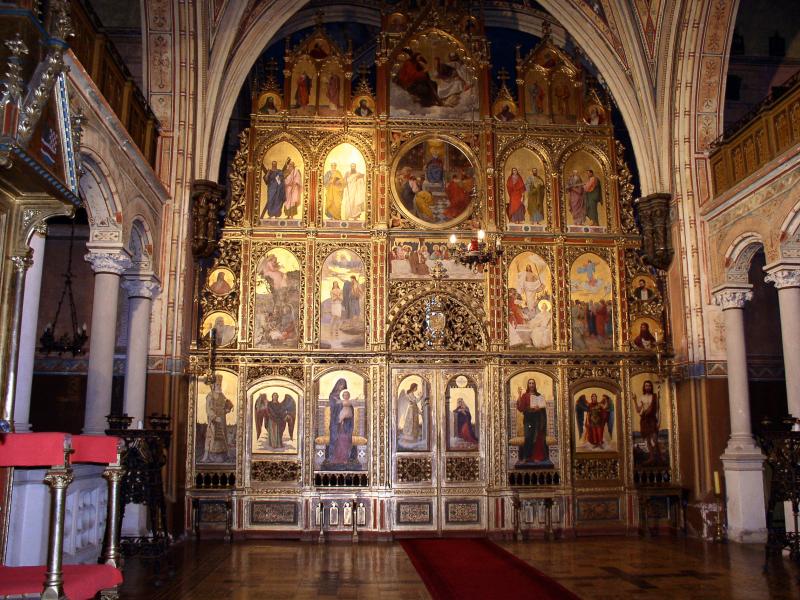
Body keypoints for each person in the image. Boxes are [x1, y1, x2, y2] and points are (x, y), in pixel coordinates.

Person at [516, 379, 548, 463]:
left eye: (533, 383)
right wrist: (519, 395)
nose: (531, 385)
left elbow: (543, 408)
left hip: (537, 419)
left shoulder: (539, 395)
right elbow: (521, 408)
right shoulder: (525, 395)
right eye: (530, 383)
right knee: (528, 437)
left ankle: (535, 457)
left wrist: (540, 407)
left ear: (535, 385)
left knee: (536, 437)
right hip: (528, 419)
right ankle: (526, 457)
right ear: (528, 385)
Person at [202, 375, 233, 461]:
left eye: (220, 385)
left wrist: (227, 409)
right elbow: (208, 409)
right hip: (214, 420)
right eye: (218, 385)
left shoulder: (222, 395)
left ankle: (223, 454)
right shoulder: (210, 395)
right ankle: (209, 455)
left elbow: (225, 406)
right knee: (212, 435)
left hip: (222, 418)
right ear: (213, 386)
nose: (219, 386)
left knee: (223, 435)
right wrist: (215, 417)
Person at [634, 380, 662, 464]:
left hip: (652, 419)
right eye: (646, 386)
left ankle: (660, 456)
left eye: (649, 386)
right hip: (644, 420)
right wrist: (635, 400)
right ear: (644, 387)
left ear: (651, 387)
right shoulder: (642, 397)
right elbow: (638, 410)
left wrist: (659, 421)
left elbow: (658, 409)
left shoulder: (654, 396)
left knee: (655, 438)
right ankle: (652, 457)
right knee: (648, 440)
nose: (648, 387)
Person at [327, 378, 348, 460]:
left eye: (343, 385)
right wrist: (339, 403)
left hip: (345, 420)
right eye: (340, 384)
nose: (341, 386)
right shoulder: (332, 395)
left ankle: (343, 457)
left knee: (343, 438)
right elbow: (333, 407)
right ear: (337, 384)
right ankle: (332, 457)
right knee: (334, 437)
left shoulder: (345, 395)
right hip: (335, 419)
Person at [332, 389, 355, 463]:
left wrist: (347, 420)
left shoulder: (350, 404)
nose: (346, 396)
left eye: (347, 395)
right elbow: (336, 402)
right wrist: (341, 420)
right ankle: (339, 458)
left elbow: (352, 415)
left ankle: (345, 458)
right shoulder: (340, 405)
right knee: (341, 439)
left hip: (348, 423)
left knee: (346, 439)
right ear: (343, 396)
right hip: (341, 423)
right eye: (344, 395)